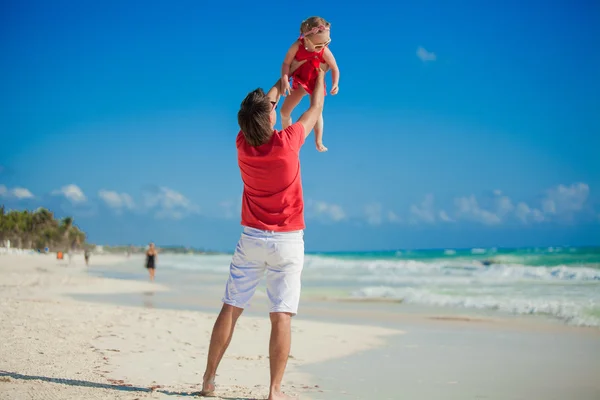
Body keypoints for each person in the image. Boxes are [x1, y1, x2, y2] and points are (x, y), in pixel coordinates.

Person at [199, 67, 325, 399]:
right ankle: (274, 391)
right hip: (286, 242)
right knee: (280, 317)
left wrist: (281, 83)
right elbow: (315, 108)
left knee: (231, 307)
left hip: (252, 239)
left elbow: (264, 107)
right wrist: (320, 75)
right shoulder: (287, 142)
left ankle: (209, 381)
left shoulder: (242, 144)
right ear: (269, 120)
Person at [280, 16, 339, 153]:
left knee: (317, 111)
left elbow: (334, 67)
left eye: (327, 43)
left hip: (315, 81)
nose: (323, 47)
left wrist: (335, 83)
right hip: (300, 80)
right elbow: (286, 64)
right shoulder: (297, 46)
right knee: (284, 112)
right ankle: (287, 137)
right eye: (319, 45)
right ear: (306, 39)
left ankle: (318, 140)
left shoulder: (324, 50)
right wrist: (284, 80)